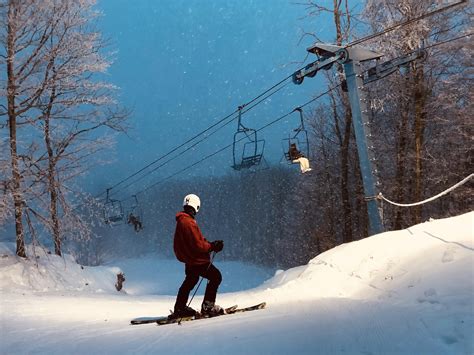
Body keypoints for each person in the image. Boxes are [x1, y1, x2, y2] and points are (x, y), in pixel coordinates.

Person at [171, 193, 224, 319]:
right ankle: (208, 307)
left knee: (191, 281)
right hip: (197, 260)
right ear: (196, 206)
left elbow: (195, 241)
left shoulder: (182, 221)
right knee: (216, 277)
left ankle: (180, 307)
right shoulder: (188, 222)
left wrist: (210, 244)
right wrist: (212, 246)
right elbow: (198, 245)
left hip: (190, 260)